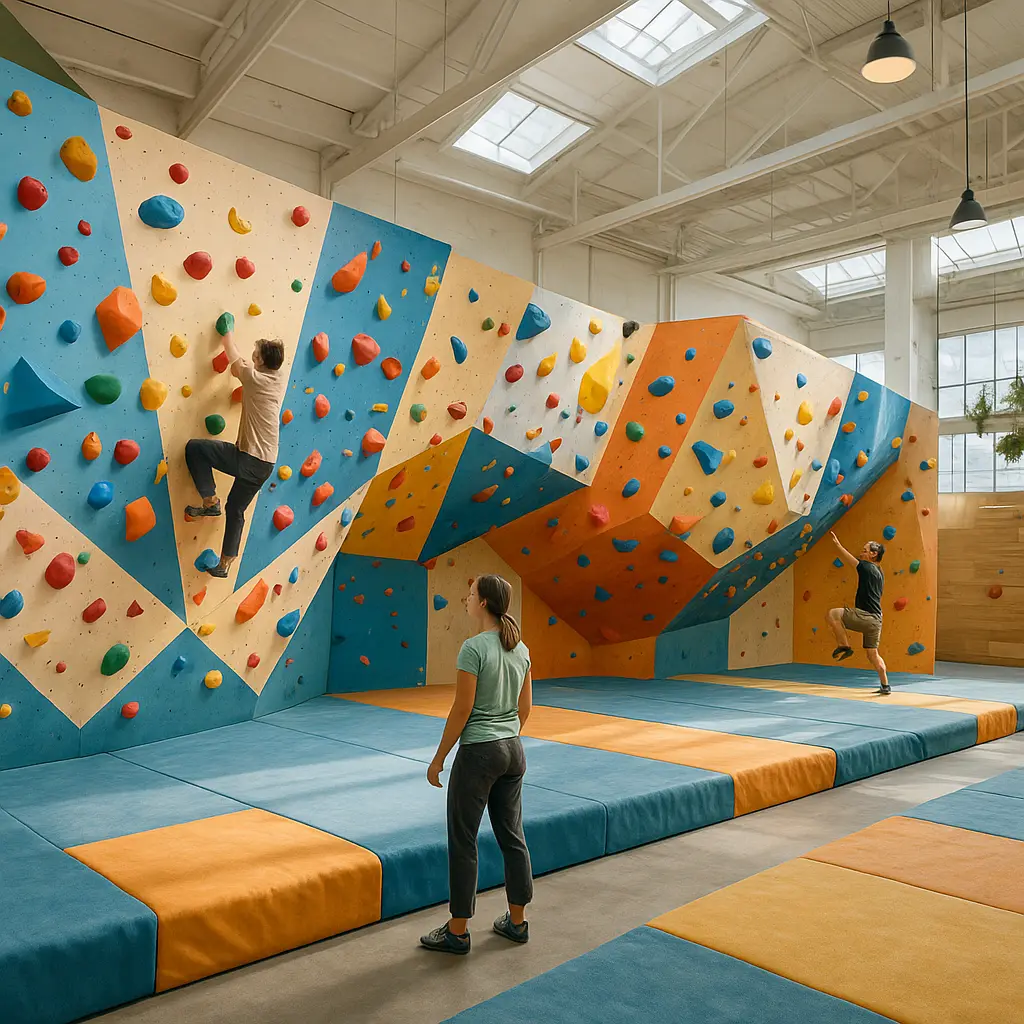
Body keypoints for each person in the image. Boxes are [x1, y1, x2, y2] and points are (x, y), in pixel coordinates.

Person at [420, 574, 535, 956]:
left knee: (464, 839)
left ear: (483, 602)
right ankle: (516, 923)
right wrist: (506, 735)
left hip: (480, 753)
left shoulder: (474, 648)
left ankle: (457, 931)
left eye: (470, 595)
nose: (466, 600)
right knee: (512, 836)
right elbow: (525, 709)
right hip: (513, 749)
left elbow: (462, 708)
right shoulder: (521, 649)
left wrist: (439, 757)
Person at [184, 324, 286, 578]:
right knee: (235, 509)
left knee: (196, 448)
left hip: (250, 459)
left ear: (260, 360)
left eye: (256, 351)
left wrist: (227, 334)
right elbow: (240, 364)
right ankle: (225, 563)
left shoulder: (255, 378)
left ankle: (209, 501)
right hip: (266, 463)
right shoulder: (276, 378)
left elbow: (234, 357)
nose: (253, 353)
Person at [826, 533, 890, 695]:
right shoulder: (879, 572)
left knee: (833, 614)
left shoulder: (867, 567)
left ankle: (844, 645)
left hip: (866, 616)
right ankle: (885, 685)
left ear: (873, 554)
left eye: (865, 550)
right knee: (873, 654)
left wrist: (838, 545)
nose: (861, 553)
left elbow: (852, 561)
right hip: (877, 620)